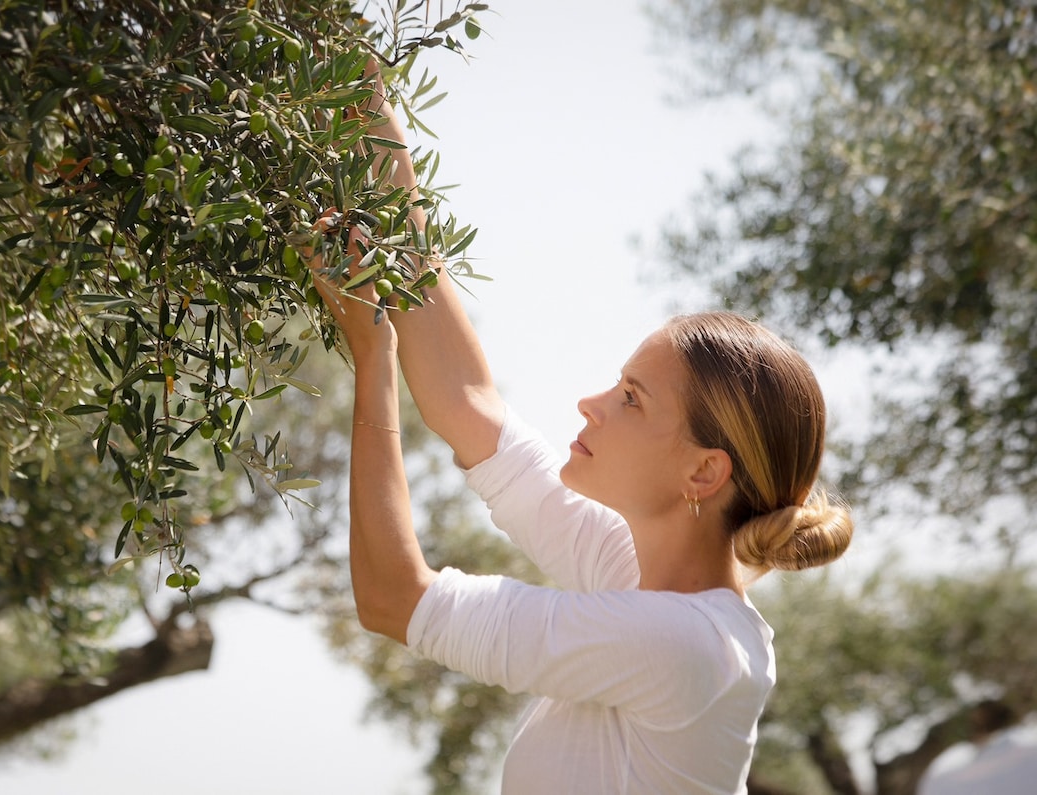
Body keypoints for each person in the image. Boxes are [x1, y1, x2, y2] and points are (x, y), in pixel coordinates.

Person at [308, 63, 854, 795]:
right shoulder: (643, 579)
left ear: (703, 472)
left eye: (631, 398)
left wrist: (374, 354)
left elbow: (393, 597)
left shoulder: (685, 644)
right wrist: (366, 103)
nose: (589, 403)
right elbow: (470, 406)